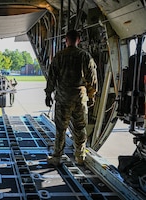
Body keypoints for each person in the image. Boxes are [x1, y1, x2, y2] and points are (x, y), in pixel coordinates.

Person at [44, 30, 98, 166]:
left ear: (66, 40)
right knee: (80, 128)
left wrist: (48, 94)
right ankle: (80, 156)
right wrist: (91, 96)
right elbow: (92, 80)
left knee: (61, 129)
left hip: (63, 98)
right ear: (78, 40)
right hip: (80, 99)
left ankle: (57, 157)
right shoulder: (85, 56)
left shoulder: (59, 56)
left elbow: (52, 78)